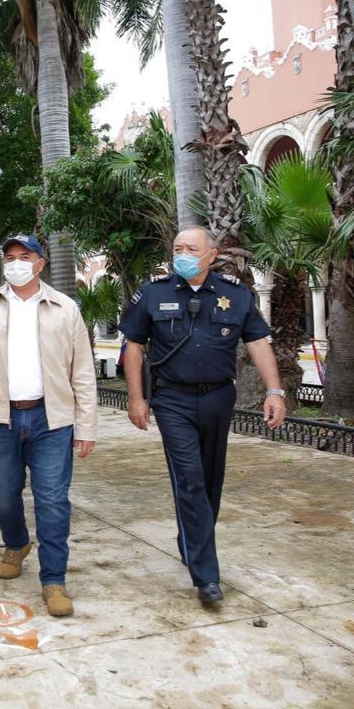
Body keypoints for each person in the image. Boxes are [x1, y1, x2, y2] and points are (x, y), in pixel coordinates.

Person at [118, 226, 286, 604]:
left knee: (210, 480)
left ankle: (190, 541)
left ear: (211, 255)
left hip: (218, 398)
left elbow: (258, 342)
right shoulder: (154, 293)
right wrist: (135, 398)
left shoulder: (235, 294)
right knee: (190, 479)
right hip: (171, 400)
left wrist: (274, 391)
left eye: (191, 248)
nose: (182, 253)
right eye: (177, 247)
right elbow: (134, 346)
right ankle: (207, 575)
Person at [0, 235, 97, 617]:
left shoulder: (64, 308)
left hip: (52, 420)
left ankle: (54, 580)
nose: (16, 263)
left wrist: (86, 426)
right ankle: (16, 543)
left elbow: (82, 371)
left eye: (25, 256)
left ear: (40, 263)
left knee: (52, 501)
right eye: (10, 257)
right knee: (2, 493)